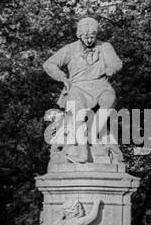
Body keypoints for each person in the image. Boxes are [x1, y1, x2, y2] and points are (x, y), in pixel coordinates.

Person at [43, 17, 123, 159]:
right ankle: (82, 150)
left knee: (110, 98)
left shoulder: (105, 46)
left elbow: (117, 63)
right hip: (77, 86)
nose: (89, 40)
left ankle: (93, 134)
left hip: (100, 84)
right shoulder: (70, 49)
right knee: (76, 107)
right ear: (79, 35)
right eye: (86, 37)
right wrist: (63, 78)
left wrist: (111, 68)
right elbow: (49, 64)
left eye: (92, 36)